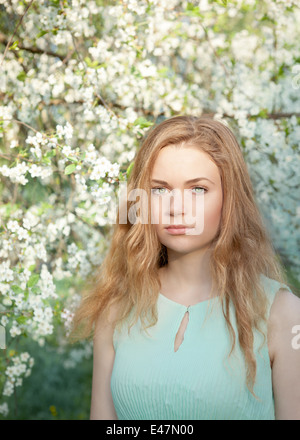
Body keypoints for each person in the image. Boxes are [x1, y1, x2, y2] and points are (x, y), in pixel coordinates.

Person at [71, 115, 300, 420]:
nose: (177, 207)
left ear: (230, 200)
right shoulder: (115, 308)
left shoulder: (283, 314)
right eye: (160, 190)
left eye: (198, 190)